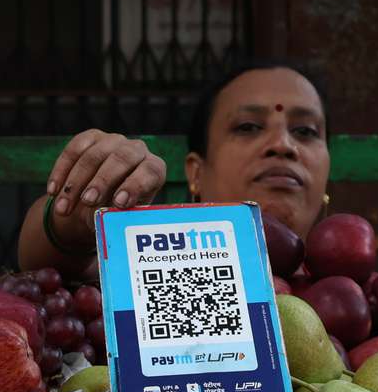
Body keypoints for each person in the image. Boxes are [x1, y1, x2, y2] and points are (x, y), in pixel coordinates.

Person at [17, 59, 331, 277]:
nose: (282, 144)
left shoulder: (363, 299)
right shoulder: (155, 271)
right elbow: (45, 260)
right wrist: (80, 216)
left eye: (305, 131)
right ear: (196, 172)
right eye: (248, 126)